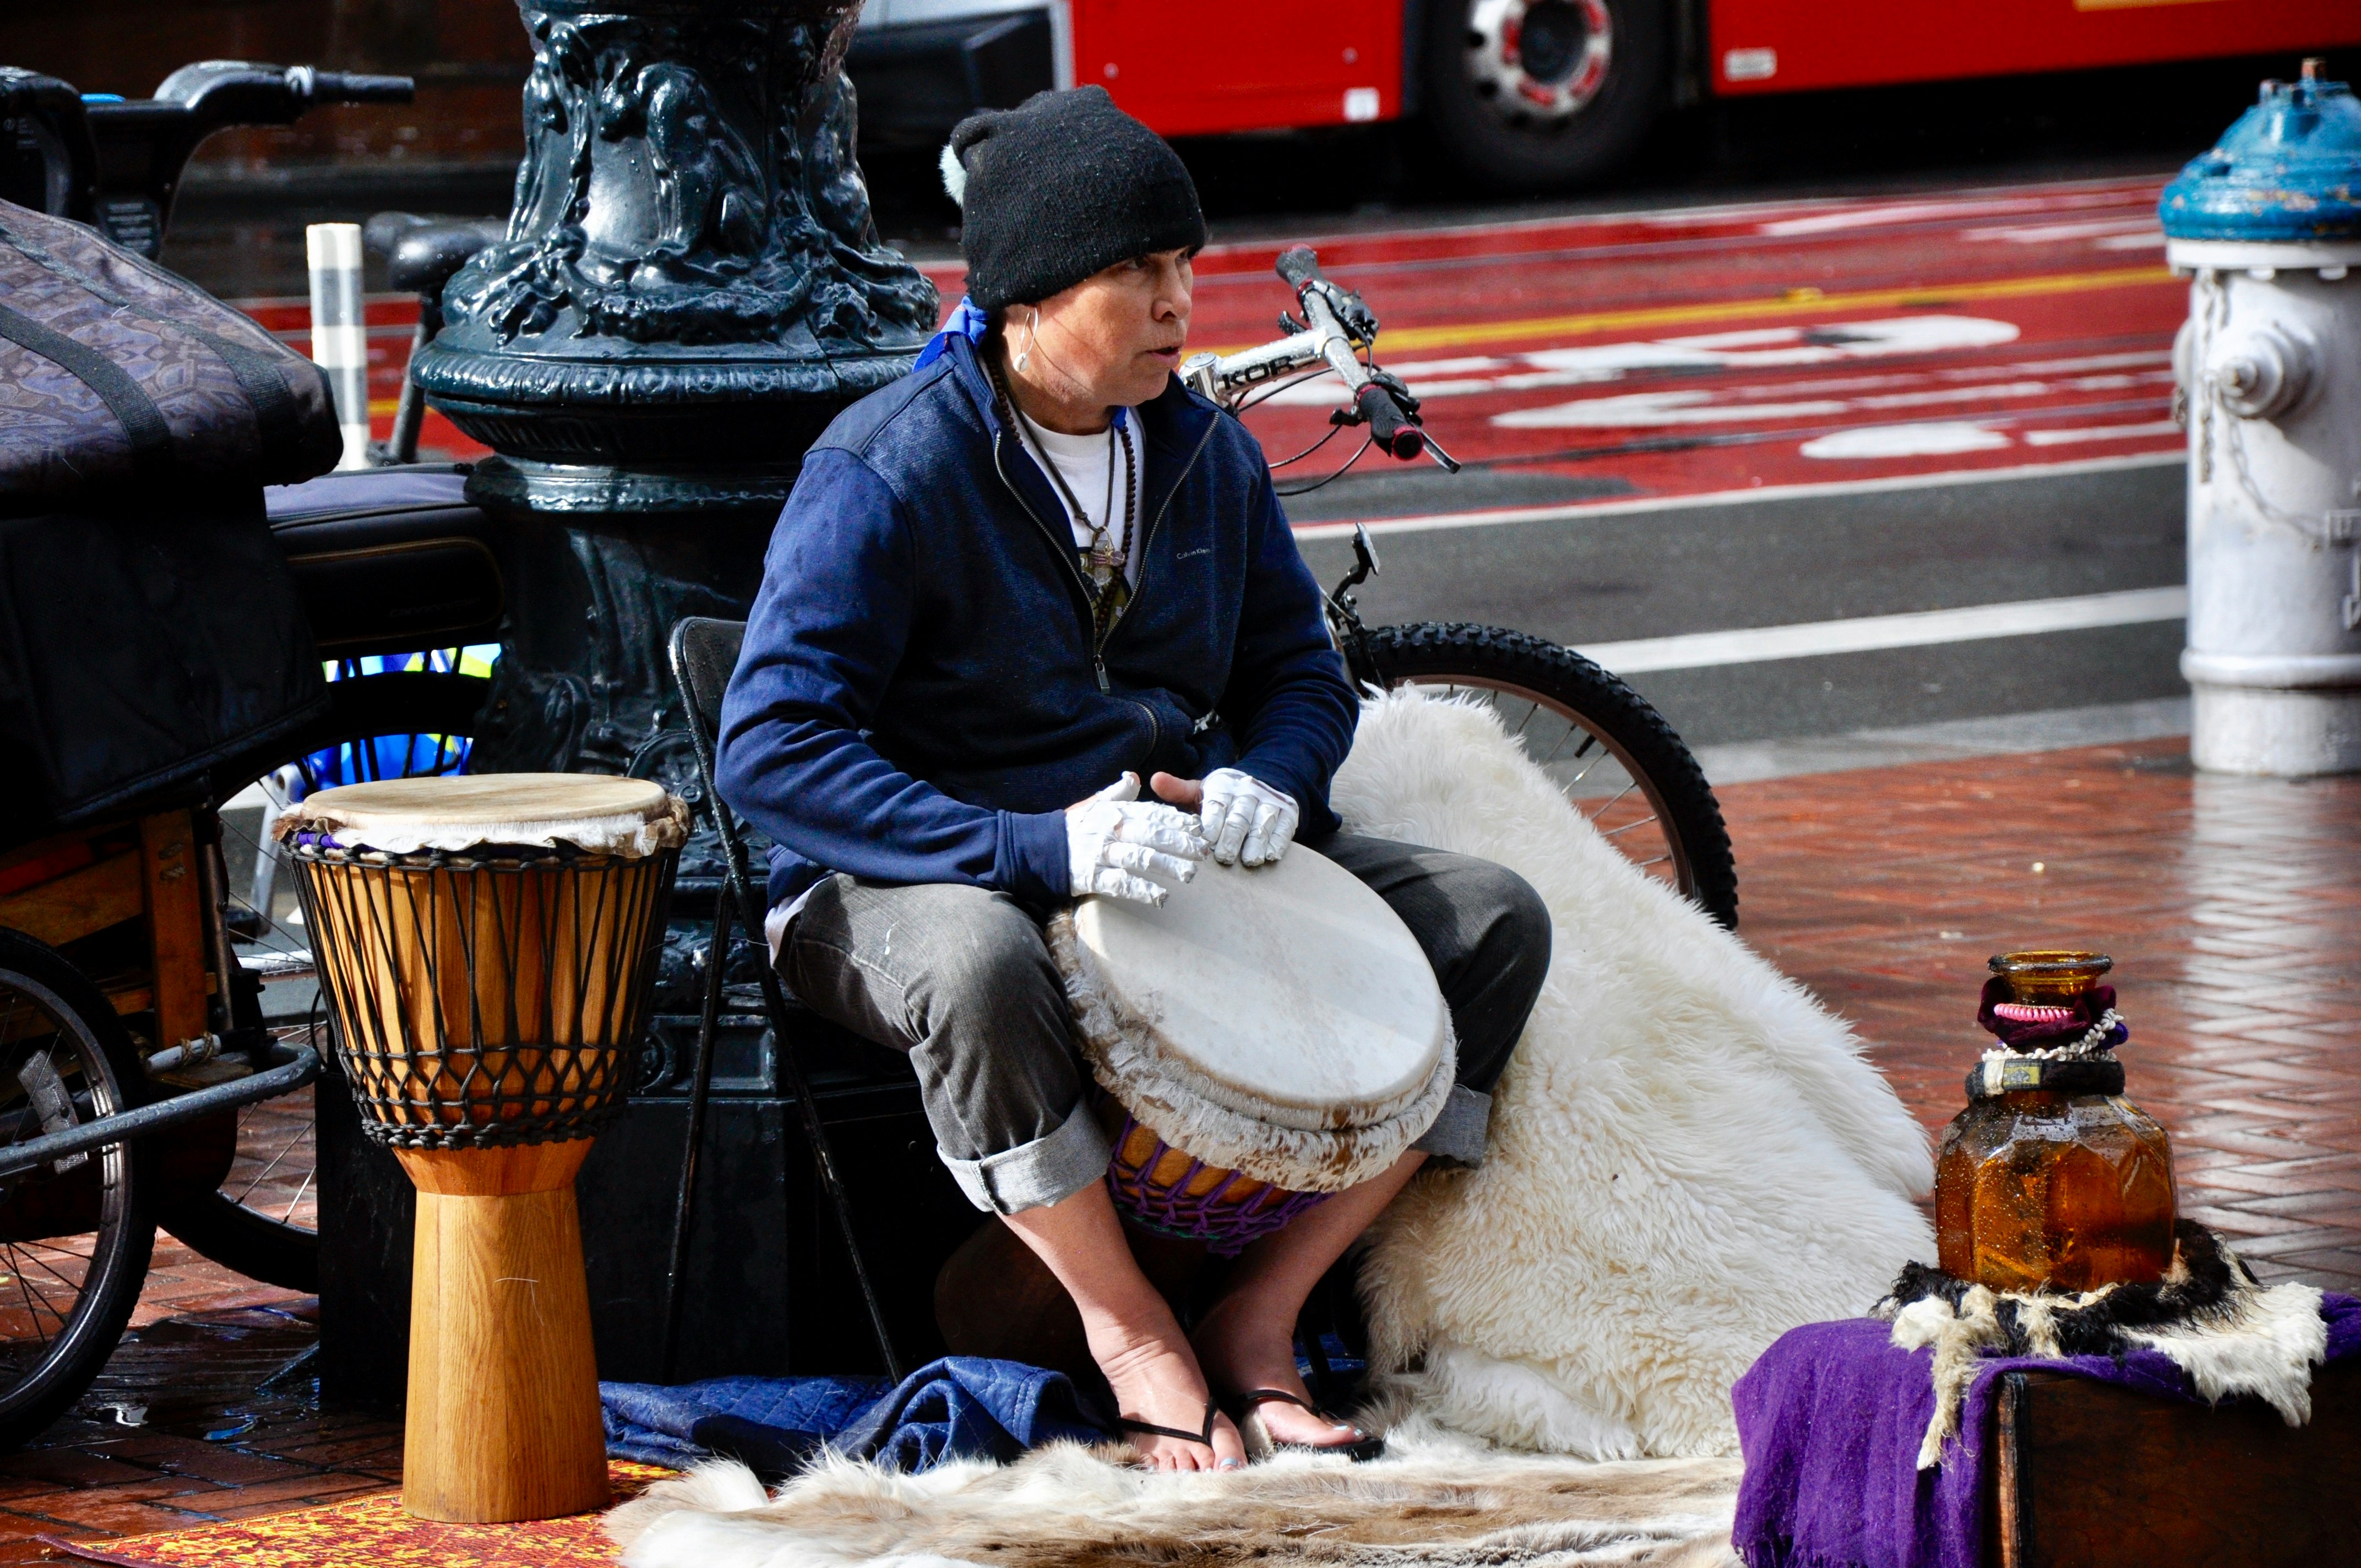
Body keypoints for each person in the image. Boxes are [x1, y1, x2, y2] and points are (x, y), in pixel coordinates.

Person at [716, 86, 1550, 1472]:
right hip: (906, 878)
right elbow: (770, 748)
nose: (1177, 302)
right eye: (1136, 273)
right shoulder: (886, 467)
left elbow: (1297, 671)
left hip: (1170, 853)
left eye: (1182, 267)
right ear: (1031, 295)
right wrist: (1035, 844)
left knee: (1491, 922)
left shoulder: (1201, 450)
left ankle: (1258, 1309)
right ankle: (1130, 1331)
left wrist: (1274, 780)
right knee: (983, 966)